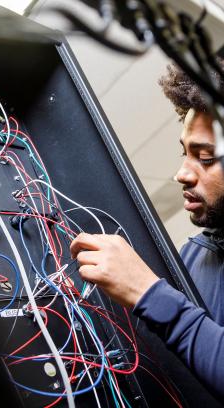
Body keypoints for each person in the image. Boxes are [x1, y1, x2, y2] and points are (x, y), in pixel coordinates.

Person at [70, 63, 224, 401]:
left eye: (207, 158)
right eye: (185, 153)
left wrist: (148, 292)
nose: (182, 174)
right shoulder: (194, 255)